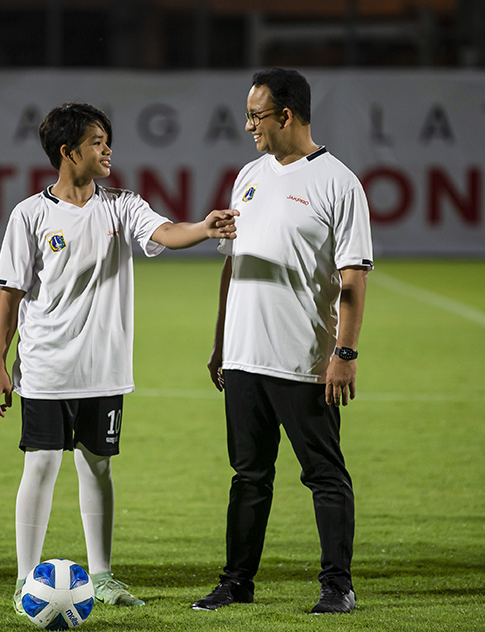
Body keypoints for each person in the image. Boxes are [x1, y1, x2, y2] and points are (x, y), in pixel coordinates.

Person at [0, 102, 238, 614]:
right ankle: (24, 582)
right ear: (68, 151)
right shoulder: (30, 215)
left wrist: (204, 228)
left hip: (104, 371)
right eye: (97, 141)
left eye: (107, 141)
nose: (108, 150)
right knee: (40, 468)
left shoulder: (121, 205)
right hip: (45, 368)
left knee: (98, 469)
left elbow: (165, 232)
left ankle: (101, 577)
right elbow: (10, 296)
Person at [191, 68, 373, 615]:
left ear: (286, 116)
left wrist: (344, 353)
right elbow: (232, 264)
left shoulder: (338, 182)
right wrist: (221, 341)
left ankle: (337, 586)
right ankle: (236, 582)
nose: (249, 125)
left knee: (324, 475)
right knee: (248, 475)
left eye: (256, 116)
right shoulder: (248, 174)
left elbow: (354, 279)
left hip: (304, 360)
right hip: (244, 359)